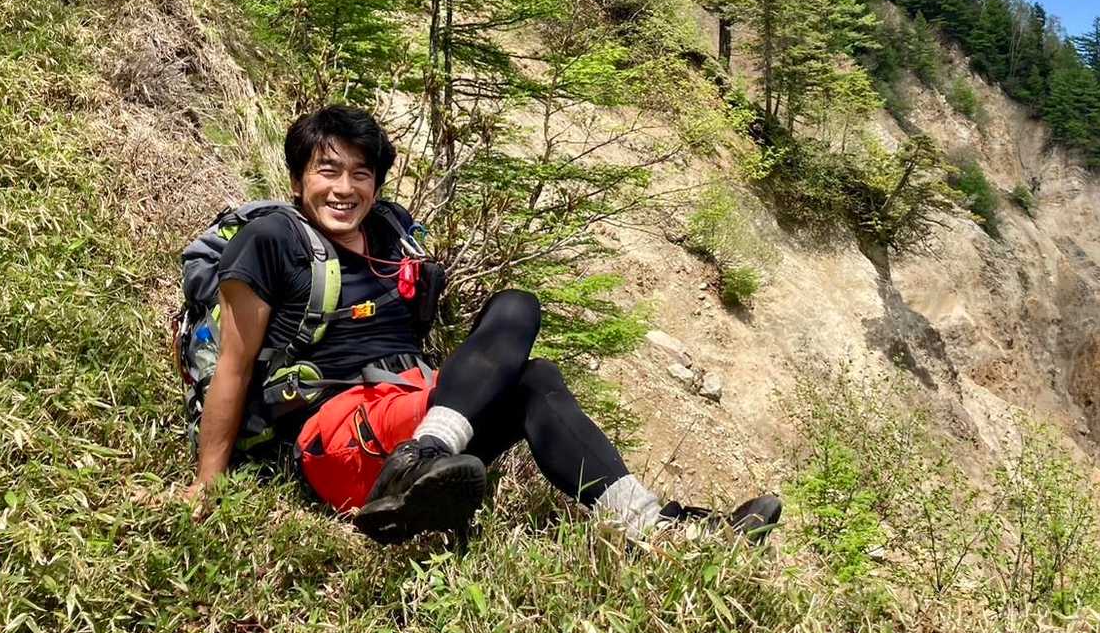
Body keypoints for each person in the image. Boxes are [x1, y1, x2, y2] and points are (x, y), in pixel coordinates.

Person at [184, 105, 781, 544]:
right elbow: (233, 367)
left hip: (409, 416)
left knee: (526, 340)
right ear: (297, 181)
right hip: (336, 439)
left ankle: (653, 527)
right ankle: (415, 464)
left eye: (360, 174)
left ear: (377, 183)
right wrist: (208, 483)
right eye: (327, 171)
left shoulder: (391, 234)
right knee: (518, 349)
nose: (344, 189)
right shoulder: (272, 240)